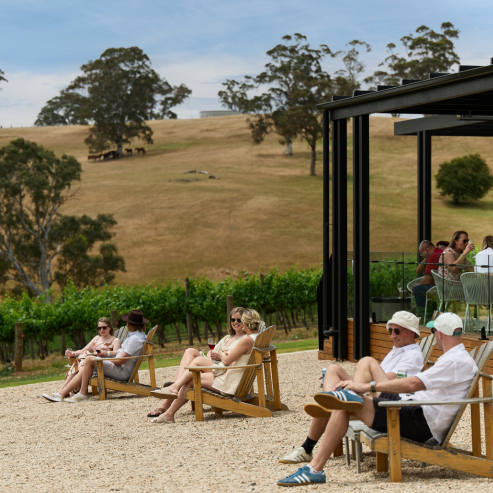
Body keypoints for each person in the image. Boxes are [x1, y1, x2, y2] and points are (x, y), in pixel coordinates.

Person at [277, 312, 477, 486]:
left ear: (440, 334)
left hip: (419, 418)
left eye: (434, 333)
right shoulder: (457, 359)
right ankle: (315, 466)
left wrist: (366, 386)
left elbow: (413, 383)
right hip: (415, 410)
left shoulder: (455, 361)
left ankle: (314, 467)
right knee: (346, 401)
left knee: (347, 401)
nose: (434, 338)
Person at [278, 311, 423, 465]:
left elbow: (392, 381)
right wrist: (348, 382)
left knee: (367, 362)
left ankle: (332, 411)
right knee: (333, 370)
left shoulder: (413, 354)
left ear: (411, 332)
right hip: (376, 391)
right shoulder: (396, 351)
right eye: (390, 331)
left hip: (390, 399)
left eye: (397, 331)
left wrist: (358, 383)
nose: (392, 335)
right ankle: (332, 407)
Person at [150, 308, 262, 423]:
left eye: (241, 320)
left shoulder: (247, 340)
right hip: (233, 377)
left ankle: (172, 396)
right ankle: (170, 406)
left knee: (193, 377)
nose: (238, 323)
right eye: (233, 319)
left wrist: (222, 355)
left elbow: (227, 361)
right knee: (193, 373)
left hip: (230, 382)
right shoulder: (256, 338)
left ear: (246, 323)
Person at [42, 310, 149, 403]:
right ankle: (62, 393)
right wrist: (106, 354)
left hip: (122, 371)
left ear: (130, 323)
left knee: (89, 359)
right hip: (119, 367)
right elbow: (121, 353)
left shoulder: (135, 339)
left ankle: (79, 393)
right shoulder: (136, 336)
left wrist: (105, 359)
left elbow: (121, 360)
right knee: (85, 365)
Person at [42, 317, 121, 402]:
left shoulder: (115, 340)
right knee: (82, 361)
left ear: (109, 327)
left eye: (104, 327)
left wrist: (106, 350)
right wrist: (73, 353)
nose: (101, 330)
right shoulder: (96, 338)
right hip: (90, 364)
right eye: (99, 328)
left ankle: (61, 392)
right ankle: (62, 392)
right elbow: (84, 350)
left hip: (102, 365)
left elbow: (117, 355)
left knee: (83, 359)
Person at [412, 241, 443, 313]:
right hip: (446, 286)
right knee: (427, 288)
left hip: (440, 289)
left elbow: (427, 280)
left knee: (417, 289)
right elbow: (418, 270)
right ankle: (431, 313)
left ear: (426, 250)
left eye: (421, 253)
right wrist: (426, 258)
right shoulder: (440, 252)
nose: (422, 256)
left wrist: (418, 285)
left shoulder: (433, 257)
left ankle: (424, 315)